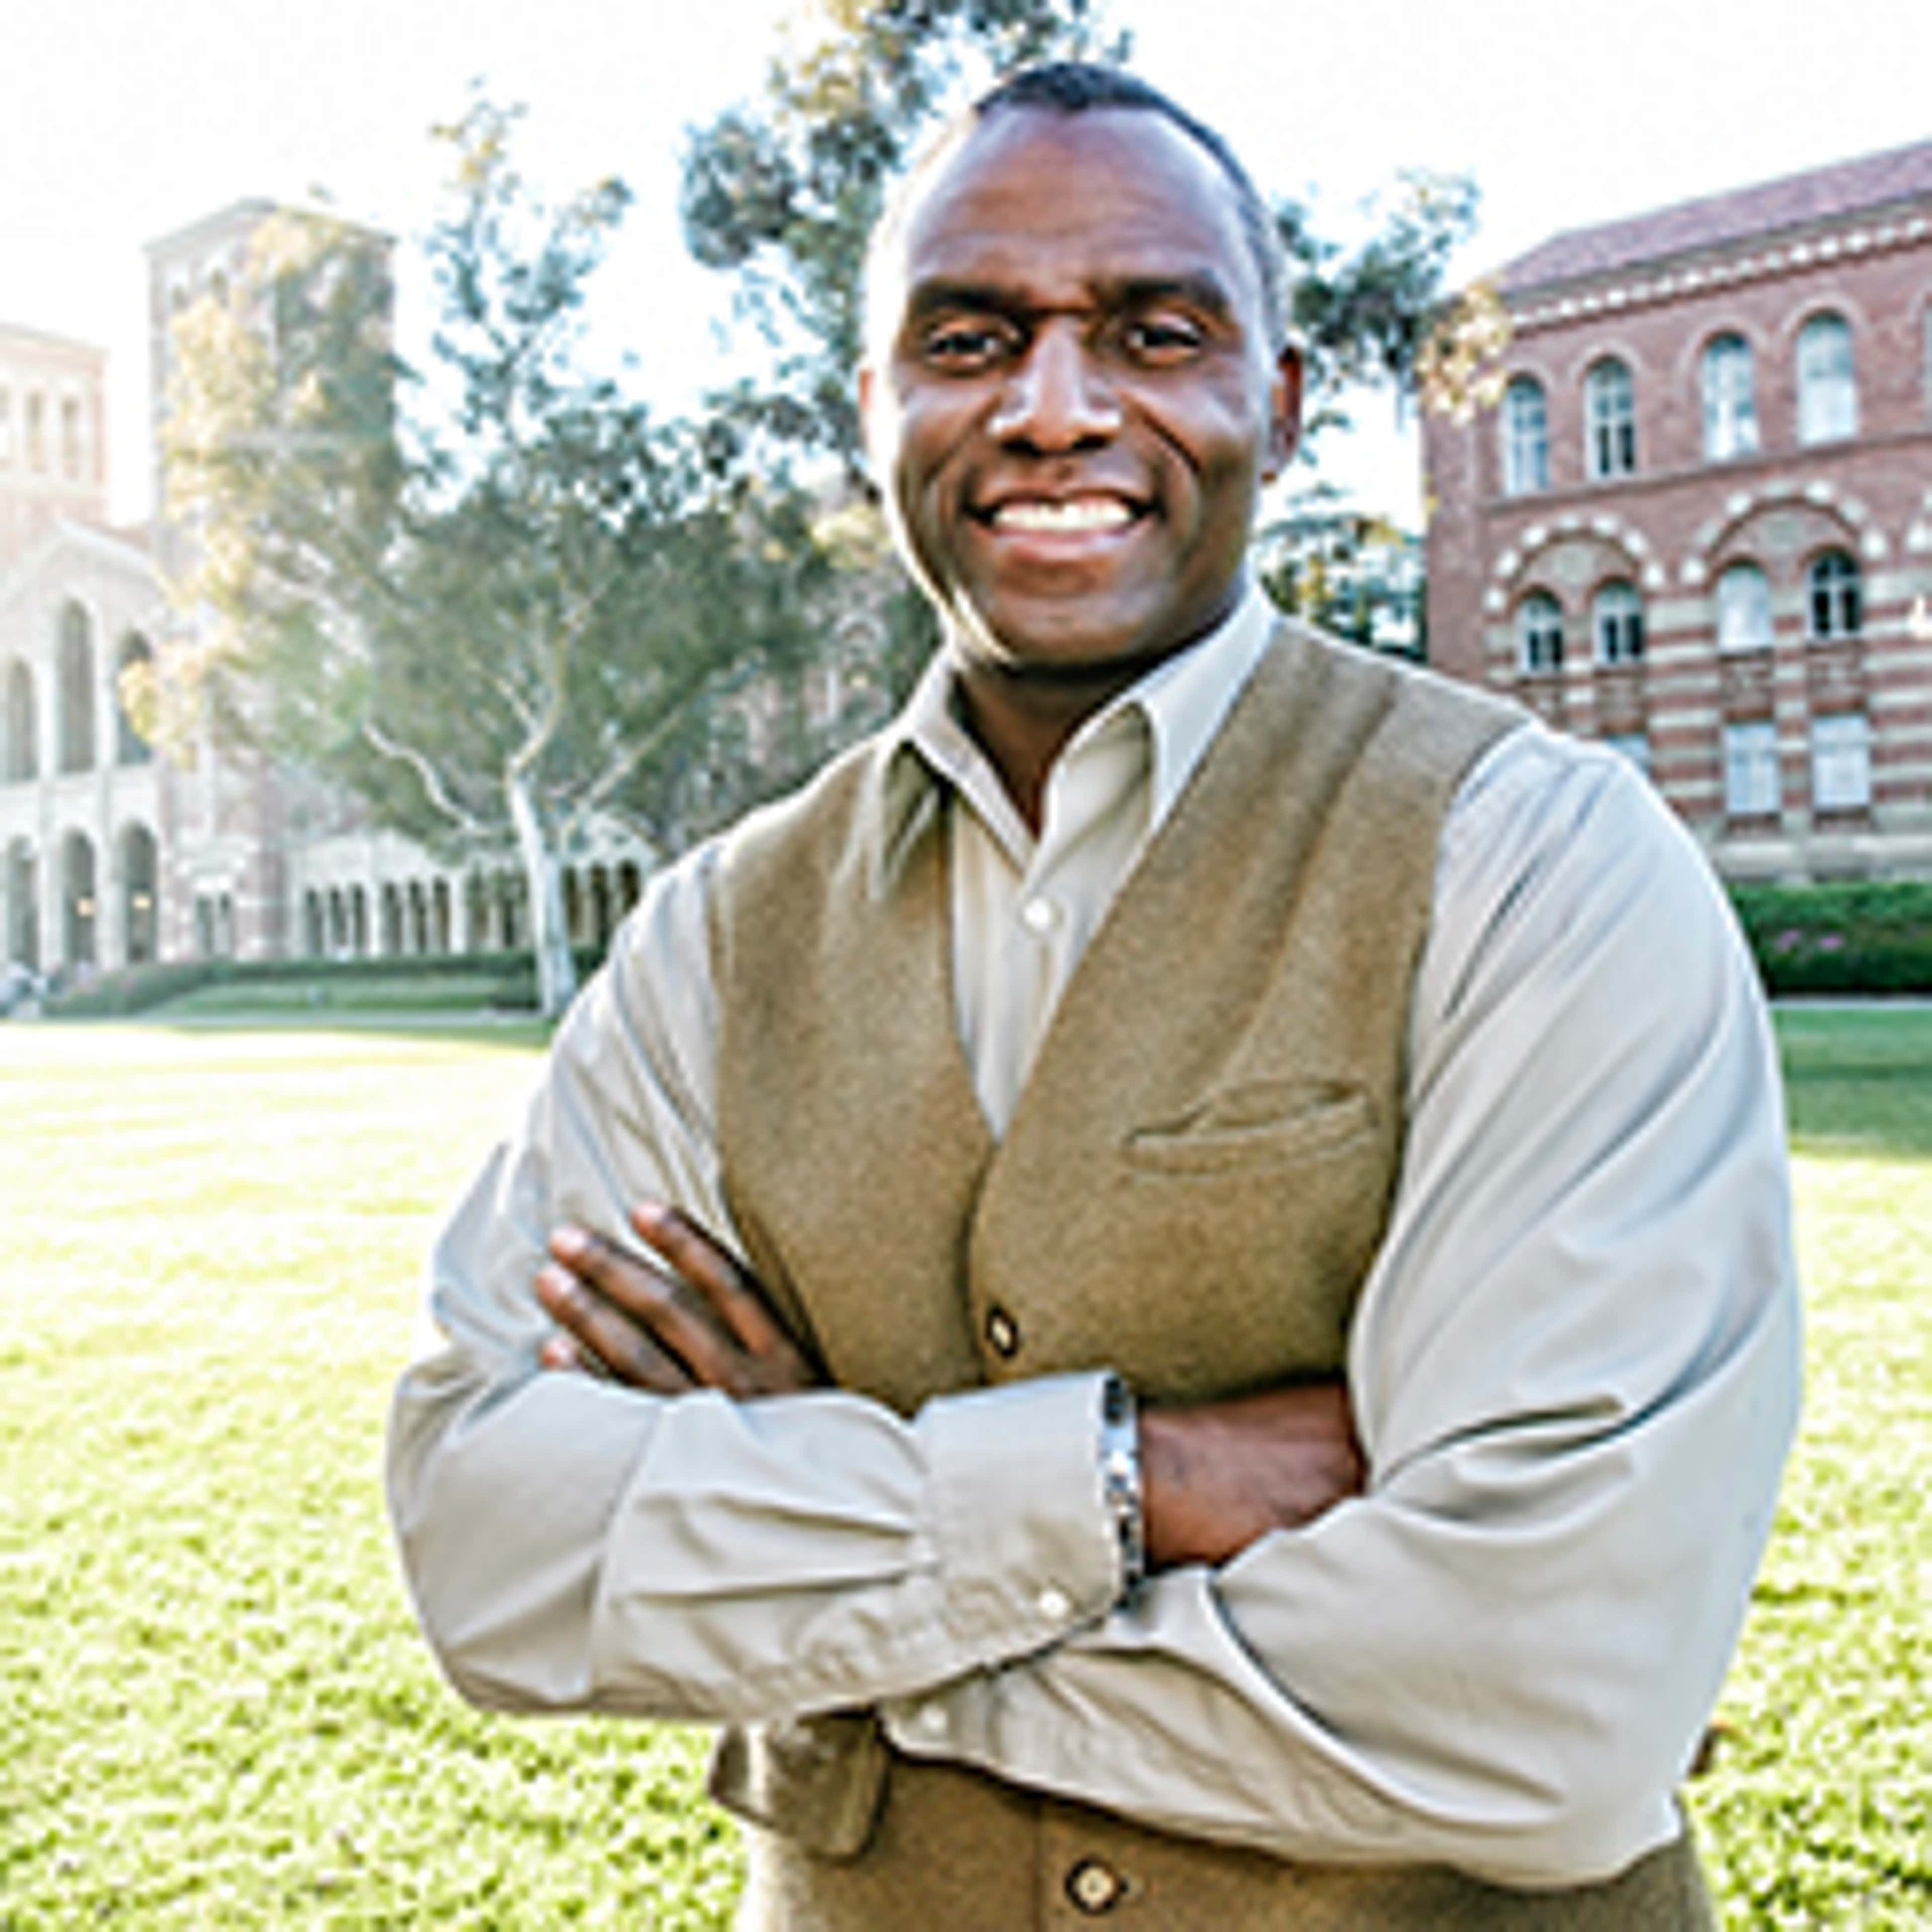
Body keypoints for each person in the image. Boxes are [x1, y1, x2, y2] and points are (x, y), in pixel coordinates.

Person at [387, 62, 1800, 1929]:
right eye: (969, 339)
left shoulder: (1538, 864)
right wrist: (1139, 1482)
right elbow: (492, 1545)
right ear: (873, 409)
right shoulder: (712, 941)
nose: (1057, 410)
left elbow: (1551, 1696)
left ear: (1279, 408)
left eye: (1155, 331)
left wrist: (838, 1593)